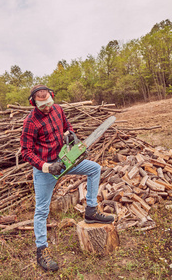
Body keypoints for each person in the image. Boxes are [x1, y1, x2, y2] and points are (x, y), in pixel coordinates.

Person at [20, 85, 114, 272]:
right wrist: (46, 167)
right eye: (42, 105)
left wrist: (69, 134)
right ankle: (42, 251)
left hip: (65, 160)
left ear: (52, 98)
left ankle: (91, 210)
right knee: (41, 210)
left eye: (49, 103)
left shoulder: (58, 110)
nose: (47, 108)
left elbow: (66, 126)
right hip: (45, 169)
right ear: (34, 104)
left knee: (95, 169)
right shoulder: (31, 122)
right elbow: (26, 152)